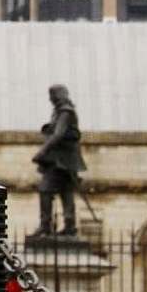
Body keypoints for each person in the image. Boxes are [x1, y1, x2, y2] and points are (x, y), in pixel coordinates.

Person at [34, 85, 85, 236]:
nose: (50, 98)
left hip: (61, 161)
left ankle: (46, 226)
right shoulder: (60, 111)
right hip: (64, 161)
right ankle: (69, 227)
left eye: (52, 95)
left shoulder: (65, 112)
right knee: (66, 191)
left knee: (45, 189)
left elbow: (58, 135)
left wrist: (42, 152)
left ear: (58, 95)